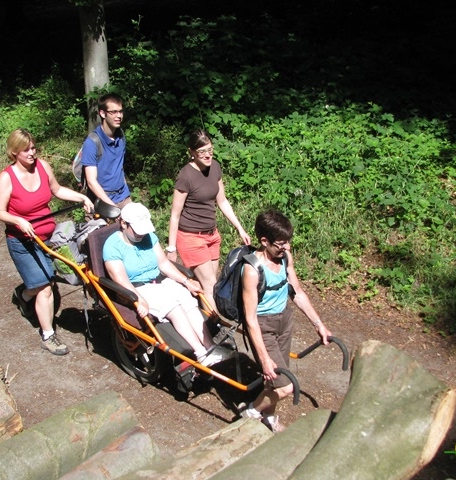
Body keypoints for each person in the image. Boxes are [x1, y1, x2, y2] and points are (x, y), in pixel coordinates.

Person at [0, 128, 93, 356]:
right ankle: (48, 336)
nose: (32, 153)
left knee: (61, 274)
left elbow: (57, 190)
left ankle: (25, 294)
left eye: (33, 148)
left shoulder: (42, 167)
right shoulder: (6, 178)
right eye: (26, 149)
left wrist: (82, 197)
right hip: (22, 241)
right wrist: (18, 220)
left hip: (49, 237)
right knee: (46, 288)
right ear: (14, 152)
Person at [240, 210, 331, 432]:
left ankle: (268, 417)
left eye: (288, 242)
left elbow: (297, 292)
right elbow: (250, 319)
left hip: (284, 321)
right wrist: (263, 359)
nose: (287, 248)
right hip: (263, 327)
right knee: (285, 386)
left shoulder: (286, 258)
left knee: (276, 378)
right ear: (264, 241)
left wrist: (319, 325)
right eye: (281, 244)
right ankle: (251, 411)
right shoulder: (252, 270)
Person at [103, 202, 227, 366]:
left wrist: (186, 281)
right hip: (137, 288)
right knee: (172, 306)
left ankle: (210, 346)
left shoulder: (148, 236)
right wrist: (139, 299)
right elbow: (121, 279)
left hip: (159, 281)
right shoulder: (112, 246)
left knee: (187, 299)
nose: (142, 234)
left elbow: (164, 264)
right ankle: (201, 353)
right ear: (124, 224)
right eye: (137, 230)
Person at [167, 129, 250, 311]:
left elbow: (222, 201)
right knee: (210, 285)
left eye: (210, 150)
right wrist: (171, 248)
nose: (207, 155)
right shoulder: (185, 176)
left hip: (212, 235)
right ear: (192, 152)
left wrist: (239, 228)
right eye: (202, 152)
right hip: (191, 237)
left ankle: (199, 319)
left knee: (209, 285)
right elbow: (175, 214)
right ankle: (217, 328)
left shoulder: (215, 167)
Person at [81, 93, 131, 208]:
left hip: (123, 197)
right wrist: (112, 207)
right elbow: (91, 182)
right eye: (113, 112)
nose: (118, 116)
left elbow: (120, 167)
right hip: (101, 201)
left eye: (120, 111)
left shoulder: (120, 135)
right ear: (102, 113)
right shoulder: (92, 142)